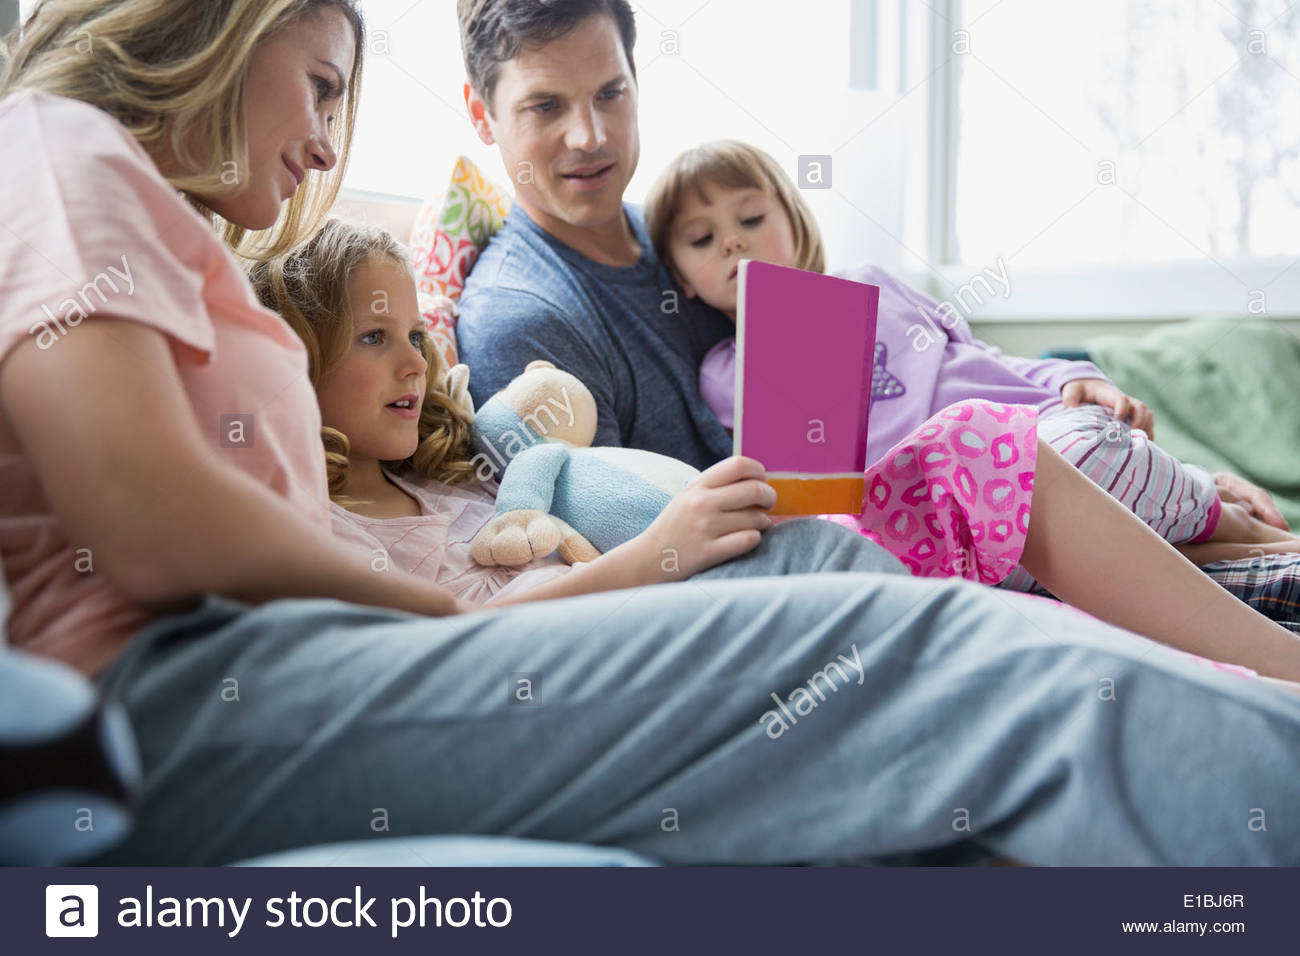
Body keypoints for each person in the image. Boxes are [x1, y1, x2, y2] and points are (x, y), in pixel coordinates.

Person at [3, 0, 1300, 868]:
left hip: (273, 657)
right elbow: (150, 519)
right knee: (935, 648)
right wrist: (455, 625)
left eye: (612, 95)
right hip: (181, 695)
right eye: (325, 86)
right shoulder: (56, 151)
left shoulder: (144, 214)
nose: (327, 140)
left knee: (855, 578)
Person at [452, 0, 1300, 623]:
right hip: (826, 553)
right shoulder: (525, 317)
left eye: (610, 93)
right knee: (1021, 459)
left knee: (1071, 421)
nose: (590, 138)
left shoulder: (669, 234)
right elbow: (586, 542)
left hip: (921, 471)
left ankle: (1207, 514)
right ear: (481, 115)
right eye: (545, 106)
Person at [256, 217, 1300, 684]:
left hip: (762, 525)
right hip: (711, 592)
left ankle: (1266, 644)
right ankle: (1266, 654)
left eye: (414, 333)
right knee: (996, 485)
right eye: (370, 337)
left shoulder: (453, 467)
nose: (411, 361)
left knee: (986, 444)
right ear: (289, 365)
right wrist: (658, 549)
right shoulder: (325, 529)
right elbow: (465, 634)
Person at [643, 140, 1300, 580]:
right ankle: (1213, 520)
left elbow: (982, 356)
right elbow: (784, 477)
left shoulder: (869, 283)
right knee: (1044, 543)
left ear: (793, 218)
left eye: (751, 218)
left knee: (1079, 453)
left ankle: (1247, 529)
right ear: (685, 278)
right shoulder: (723, 374)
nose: (732, 241)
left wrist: (1076, 377)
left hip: (1038, 435)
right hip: (948, 510)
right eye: (703, 239)